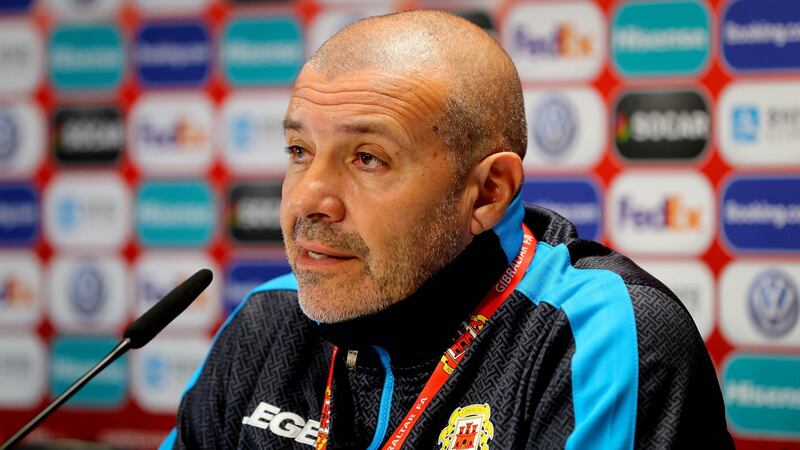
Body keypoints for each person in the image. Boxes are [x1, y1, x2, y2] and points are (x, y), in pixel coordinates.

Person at [161, 11, 733, 449]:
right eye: (298, 150)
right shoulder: (269, 320)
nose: (309, 197)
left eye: (367, 158)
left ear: (488, 192)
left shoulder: (594, 337)